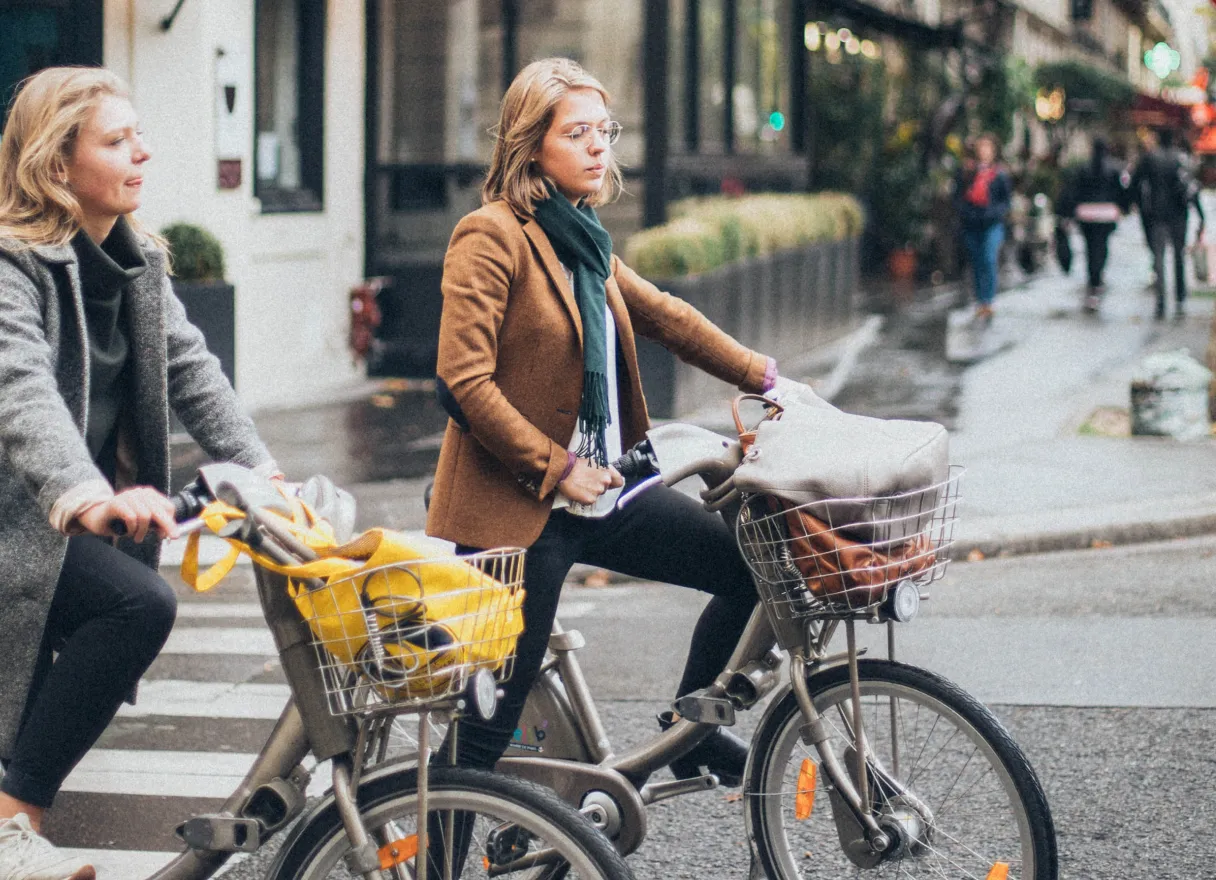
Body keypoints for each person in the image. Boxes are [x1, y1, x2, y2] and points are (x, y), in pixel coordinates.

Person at [427, 58, 777, 783]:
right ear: (532, 146)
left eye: (604, 131)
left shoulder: (584, 241)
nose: (598, 147)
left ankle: (694, 729)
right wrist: (558, 468)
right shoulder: (489, 236)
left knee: (751, 566)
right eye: (577, 132)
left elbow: (670, 318)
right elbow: (461, 383)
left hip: (608, 493)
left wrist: (771, 379)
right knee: (489, 727)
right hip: (516, 511)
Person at [0, 68, 280, 880]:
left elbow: (195, 374)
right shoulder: (12, 266)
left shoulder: (138, 265)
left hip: (61, 522)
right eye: (117, 140)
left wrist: (267, 477)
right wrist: (84, 492)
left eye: (139, 134)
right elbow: (17, 386)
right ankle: (15, 825)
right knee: (134, 605)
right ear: (57, 165)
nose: (143, 152)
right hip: (28, 514)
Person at [1130, 128, 1206, 319]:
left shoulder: (1150, 158)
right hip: (1179, 215)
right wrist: (1200, 214)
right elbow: (1191, 188)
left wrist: (1139, 206)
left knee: (1159, 258)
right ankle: (1180, 299)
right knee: (1178, 257)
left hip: (1156, 214)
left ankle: (1161, 301)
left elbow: (1135, 183)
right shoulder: (1182, 159)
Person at [1058, 138, 1127, 312]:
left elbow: (1073, 191)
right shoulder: (1114, 169)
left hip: (1086, 214)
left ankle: (1093, 278)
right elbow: (1121, 192)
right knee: (1101, 246)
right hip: (1106, 214)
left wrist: (1069, 212)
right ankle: (1097, 277)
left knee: (1090, 247)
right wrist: (1121, 208)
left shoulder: (1083, 168)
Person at [955, 133, 1012, 323]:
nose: (984, 151)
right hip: (971, 223)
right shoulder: (967, 172)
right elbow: (958, 196)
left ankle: (988, 300)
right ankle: (980, 300)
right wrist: (965, 212)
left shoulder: (1000, 174)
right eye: (981, 147)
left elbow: (1006, 201)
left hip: (992, 224)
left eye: (988, 148)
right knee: (977, 261)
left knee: (988, 259)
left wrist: (995, 213)